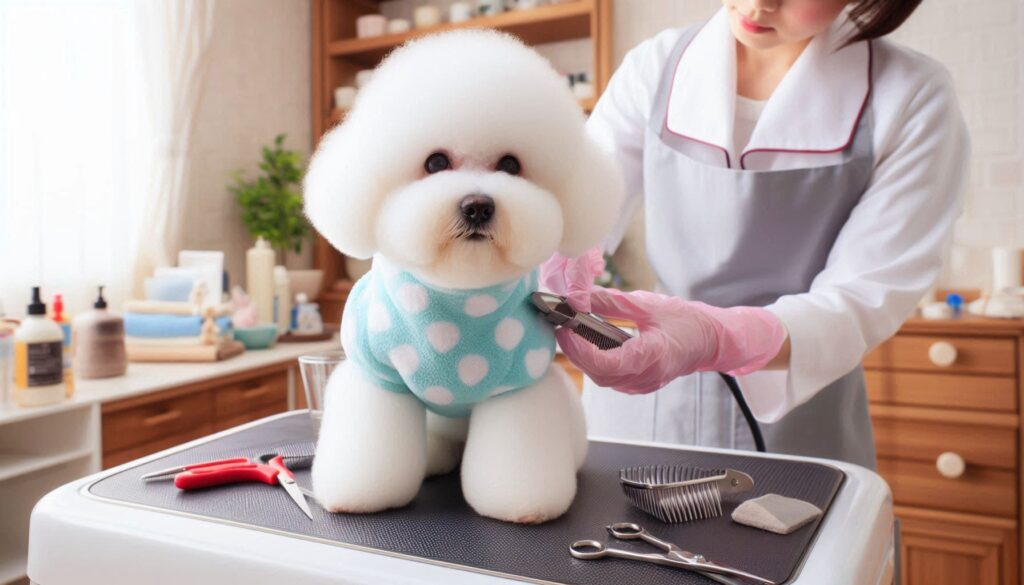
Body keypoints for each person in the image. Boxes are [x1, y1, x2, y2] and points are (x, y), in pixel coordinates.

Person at [541, 0, 969, 469]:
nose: (759, 3)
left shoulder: (911, 97)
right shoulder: (655, 67)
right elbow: (577, 212)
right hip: (639, 413)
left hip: (798, 421)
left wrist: (720, 338)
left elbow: (864, 293)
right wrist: (560, 262)